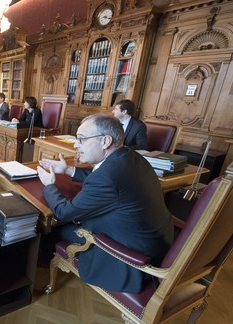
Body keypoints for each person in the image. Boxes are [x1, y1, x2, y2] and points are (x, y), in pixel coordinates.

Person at [36, 114, 173, 293]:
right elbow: (105, 177)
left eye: (81, 139)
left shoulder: (106, 177)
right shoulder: (129, 156)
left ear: (105, 141)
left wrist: (49, 185)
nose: (76, 145)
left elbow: (64, 211)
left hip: (131, 258)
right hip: (156, 241)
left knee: (55, 229)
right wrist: (68, 170)